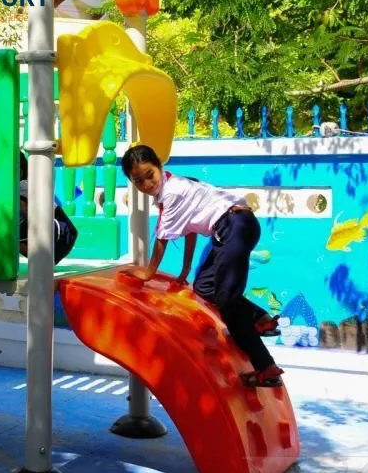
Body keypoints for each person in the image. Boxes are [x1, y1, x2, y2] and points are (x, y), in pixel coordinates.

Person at [120, 144, 284, 388]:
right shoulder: (176, 183)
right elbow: (190, 229)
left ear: (159, 166)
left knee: (228, 304)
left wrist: (148, 272)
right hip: (232, 228)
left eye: (149, 174)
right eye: (138, 181)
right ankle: (261, 319)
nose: (146, 183)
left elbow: (162, 238)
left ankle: (266, 367)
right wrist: (185, 269)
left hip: (234, 227)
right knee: (204, 287)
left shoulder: (172, 193)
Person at [13, 155, 78, 264]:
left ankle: (41, 259)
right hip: (53, 235)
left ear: (20, 171)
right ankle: (40, 259)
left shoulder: (22, 186)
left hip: (63, 233)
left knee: (14, 208)